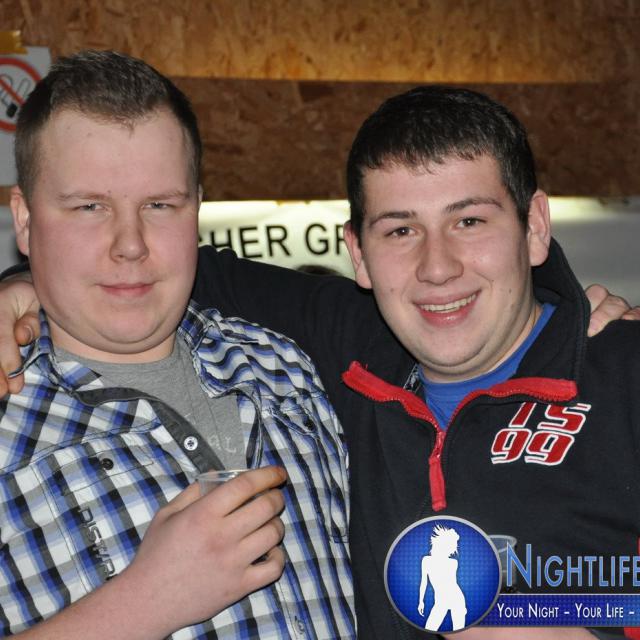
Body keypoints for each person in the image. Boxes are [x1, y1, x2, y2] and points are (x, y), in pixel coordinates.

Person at [1, 82, 638, 640]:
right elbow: (168, 268)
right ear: (357, 254)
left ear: (535, 226)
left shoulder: (622, 374)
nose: (438, 267)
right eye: (400, 230)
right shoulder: (340, 356)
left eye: (469, 221)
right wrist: (22, 285)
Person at [0, 50, 354, 639]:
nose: (130, 244)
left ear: (196, 210)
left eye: (160, 205)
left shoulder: (288, 368)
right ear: (26, 220)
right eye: (89, 207)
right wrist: (142, 604)